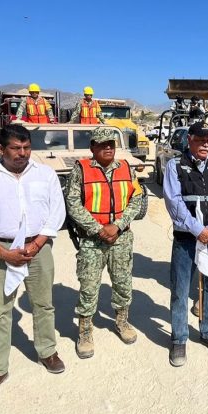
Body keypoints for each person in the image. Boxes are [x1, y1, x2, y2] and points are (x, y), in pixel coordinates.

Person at [0, 124, 66, 406]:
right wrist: (2, 252)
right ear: (1, 149)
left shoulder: (44, 174)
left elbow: (56, 212)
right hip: (1, 249)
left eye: (26, 148)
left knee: (43, 304)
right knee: (0, 311)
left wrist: (36, 245)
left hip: (39, 246)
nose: (22, 154)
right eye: (15, 148)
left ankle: (47, 351)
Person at [65, 126, 144, 357]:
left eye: (111, 143)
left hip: (121, 238)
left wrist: (117, 226)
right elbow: (73, 203)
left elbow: (136, 199)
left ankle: (122, 321)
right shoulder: (81, 170)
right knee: (89, 286)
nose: (108, 148)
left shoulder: (126, 168)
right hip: (92, 240)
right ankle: (85, 331)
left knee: (122, 283)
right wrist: (98, 229)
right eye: (102, 144)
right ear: (92, 147)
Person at [162, 121, 208, 367]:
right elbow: (173, 202)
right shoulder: (175, 166)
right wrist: (197, 230)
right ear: (189, 140)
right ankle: (179, 338)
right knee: (181, 289)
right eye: (200, 139)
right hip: (186, 238)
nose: (205, 143)